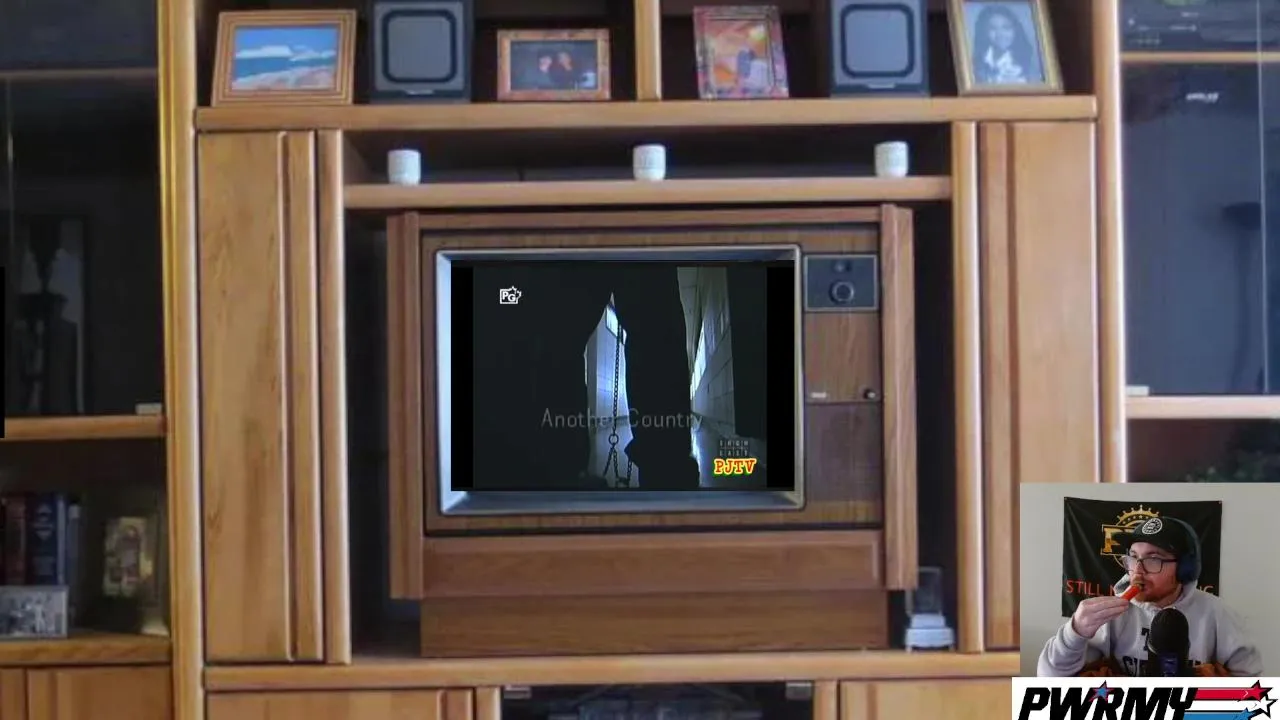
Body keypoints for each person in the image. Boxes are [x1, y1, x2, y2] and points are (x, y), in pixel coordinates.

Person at [1037, 515, 1263, 677]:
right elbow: (1049, 677)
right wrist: (1074, 632)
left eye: (1153, 559)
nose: (1138, 571)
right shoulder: (1108, 616)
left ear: (1184, 569)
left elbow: (1252, 695)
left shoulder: (1218, 615)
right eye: (1133, 557)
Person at [969, 4, 1039, 85]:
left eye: (1006, 28)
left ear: (1016, 30)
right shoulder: (974, 64)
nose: (1000, 34)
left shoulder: (1028, 66)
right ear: (984, 32)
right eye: (993, 28)